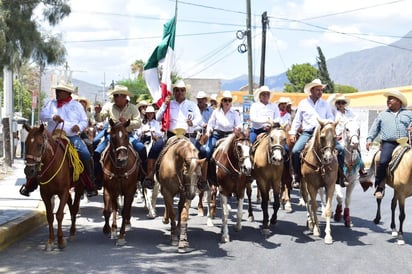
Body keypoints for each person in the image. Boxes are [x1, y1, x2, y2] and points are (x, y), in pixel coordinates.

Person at [19, 81, 98, 197]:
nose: (57, 93)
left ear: (67, 93)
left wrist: (79, 126)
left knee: (85, 154)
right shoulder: (51, 103)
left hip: (70, 136)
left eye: (60, 91)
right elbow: (42, 115)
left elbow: (84, 120)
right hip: (51, 136)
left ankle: (90, 184)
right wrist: (52, 117)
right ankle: (30, 184)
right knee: (37, 154)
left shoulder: (77, 106)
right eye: (57, 91)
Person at [289, 79, 345, 188]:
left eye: (321, 90)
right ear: (311, 90)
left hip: (323, 132)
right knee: (295, 151)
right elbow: (297, 120)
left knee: (341, 150)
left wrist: (326, 122)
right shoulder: (303, 103)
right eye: (317, 90)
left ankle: (341, 175)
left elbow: (330, 117)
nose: (320, 92)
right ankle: (297, 176)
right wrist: (292, 133)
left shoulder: (325, 104)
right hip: (308, 132)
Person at [93, 85, 147, 189]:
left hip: (127, 136)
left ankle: (143, 177)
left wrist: (128, 122)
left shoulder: (133, 108)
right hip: (112, 137)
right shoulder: (109, 106)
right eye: (115, 95)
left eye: (118, 95)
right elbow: (100, 119)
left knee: (141, 149)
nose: (115, 97)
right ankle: (98, 179)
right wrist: (97, 113)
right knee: (96, 153)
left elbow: (138, 123)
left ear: (124, 96)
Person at [366, 90, 412, 199]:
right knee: (383, 161)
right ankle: (379, 186)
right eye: (388, 99)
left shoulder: (408, 113)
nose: (388, 101)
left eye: (391, 98)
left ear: (398, 101)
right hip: (389, 143)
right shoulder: (382, 115)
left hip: (406, 142)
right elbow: (374, 129)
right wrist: (369, 139)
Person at [204, 90, 243, 160]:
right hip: (216, 135)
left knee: (241, 152)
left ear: (231, 102)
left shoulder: (235, 113)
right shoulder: (216, 112)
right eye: (225, 100)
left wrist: (238, 128)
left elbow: (239, 124)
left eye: (229, 100)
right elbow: (210, 124)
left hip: (230, 136)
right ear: (222, 101)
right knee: (207, 151)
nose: (227, 102)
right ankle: (205, 169)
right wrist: (209, 130)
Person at [136, 105, 164, 187]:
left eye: (151, 113)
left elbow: (160, 134)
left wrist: (154, 131)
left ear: (153, 114)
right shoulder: (142, 122)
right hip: (144, 139)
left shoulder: (156, 123)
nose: (149, 115)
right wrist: (144, 131)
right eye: (148, 113)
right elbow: (138, 133)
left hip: (154, 140)